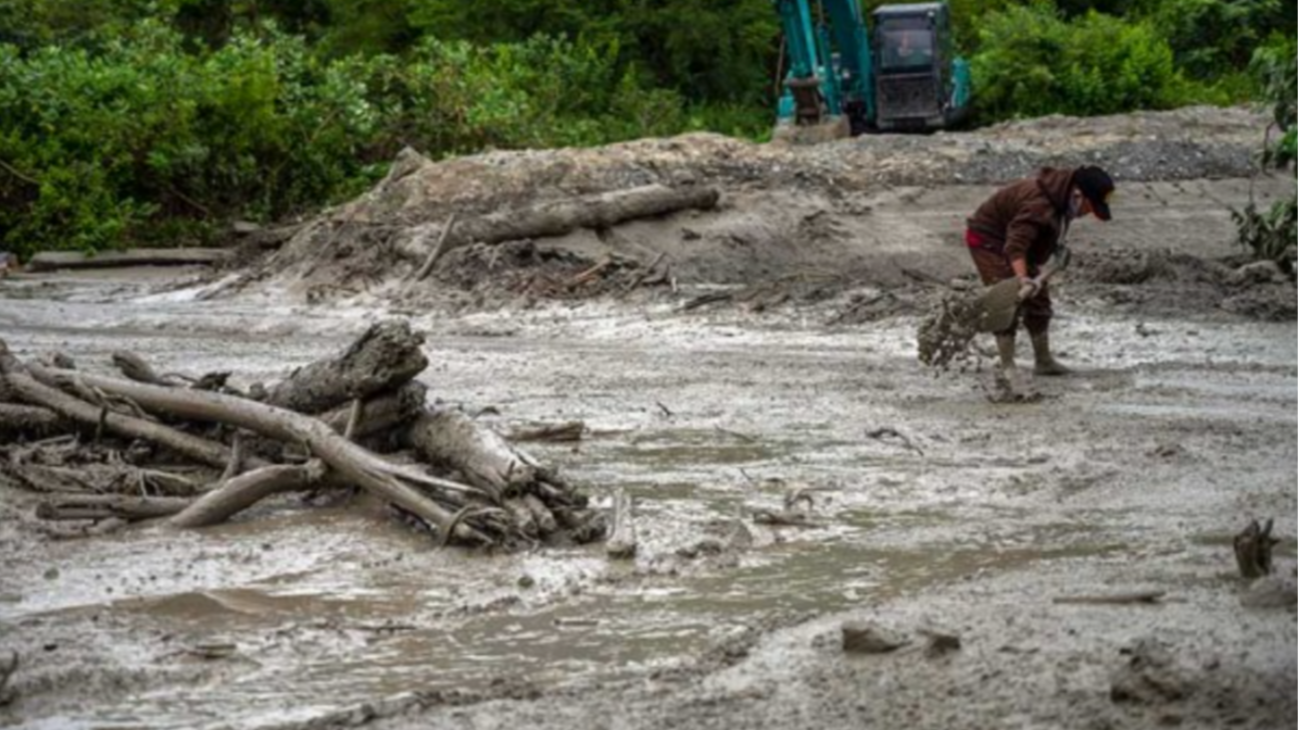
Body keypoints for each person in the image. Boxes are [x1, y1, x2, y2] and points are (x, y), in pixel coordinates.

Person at [964, 165, 1115, 380]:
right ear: (1077, 195)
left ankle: (1043, 361)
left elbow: (1042, 232)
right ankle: (1008, 366)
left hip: (1019, 245)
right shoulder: (1039, 204)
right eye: (1090, 208)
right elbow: (1016, 244)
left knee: (1039, 300)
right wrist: (1021, 279)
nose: (1089, 213)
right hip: (989, 241)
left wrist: (1055, 251)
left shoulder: (1062, 196)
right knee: (1006, 301)